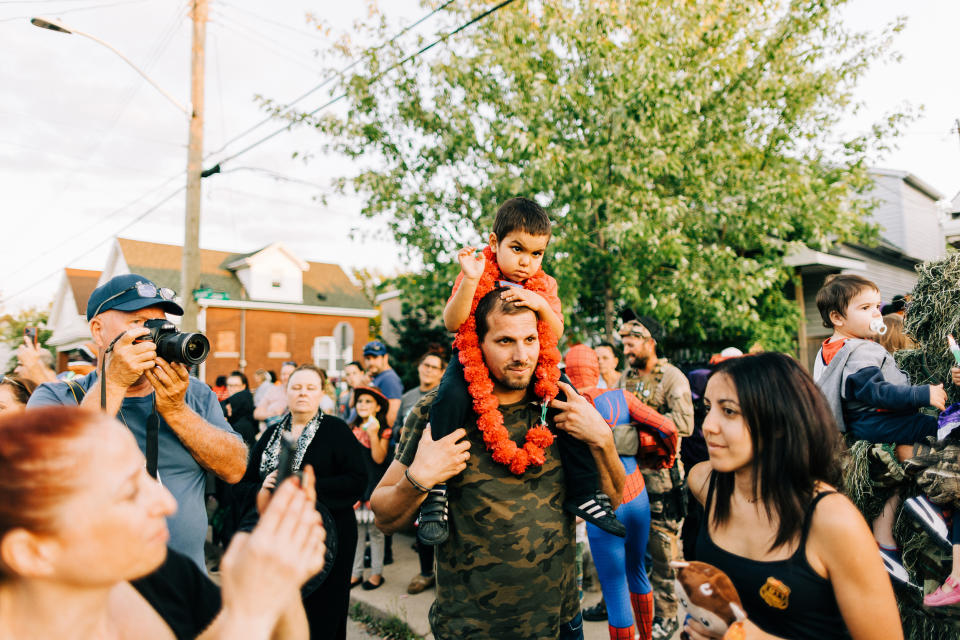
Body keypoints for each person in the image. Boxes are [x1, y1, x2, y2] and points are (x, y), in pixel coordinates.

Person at [371, 289, 626, 640]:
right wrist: (419, 478)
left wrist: (603, 440)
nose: (522, 355)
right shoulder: (439, 413)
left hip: (561, 622)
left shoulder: (564, 407)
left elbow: (612, 500)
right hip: (471, 628)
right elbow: (384, 518)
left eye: (530, 339)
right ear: (478, 343)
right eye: (505, 340)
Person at [0, 405, 326, 640]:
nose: (167, 504)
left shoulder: (158, 574)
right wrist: (251, 613)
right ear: (32, 551)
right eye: (128, 493)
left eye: (146, 476)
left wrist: (278, 579)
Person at [420, 197, 623, 547]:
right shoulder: (476, 271)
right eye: (517, 249)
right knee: (449, 398)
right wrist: (470, 281)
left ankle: (584, 490)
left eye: (537, 253)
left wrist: (541, 305)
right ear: (494, 243)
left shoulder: (545, 286)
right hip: (473, 361)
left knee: (569, 403)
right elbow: (453, 322)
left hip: (530, 366)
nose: (526, 262)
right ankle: (436, 493)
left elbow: (555, 333)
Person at [27, 274, 247, 570]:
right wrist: (115, 382)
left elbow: (235, 468)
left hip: (187, 593)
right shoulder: (57, 397)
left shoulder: (194, 394)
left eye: (161, 325)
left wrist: (177, 411)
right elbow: (47, 474)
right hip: (99, 593)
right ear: (98, 330)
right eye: (139, 322)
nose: (155, 334)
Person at [684, 353, 902, 640]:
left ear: (777, 423)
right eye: (708, 408)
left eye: (729, 411)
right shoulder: (704, 483)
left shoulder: (832, 520)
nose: (708, 426)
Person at [240, 364, 368, 640]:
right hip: (276, 538)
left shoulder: (336, 430)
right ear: (286, 392)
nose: (303, 394)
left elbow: (358, 481)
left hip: (329, 536)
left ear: (321, 393)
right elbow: (244, 484)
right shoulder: (272, 434)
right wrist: (261, 487)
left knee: (323, 615)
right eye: (296, 388)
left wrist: (305, 485)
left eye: (311, 388)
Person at [565, 345, 679, 640]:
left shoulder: (566, 406)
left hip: (601, 505)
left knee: (615, 592)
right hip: (637, 493)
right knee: (638, 572)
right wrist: (661, 458)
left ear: (568, 369)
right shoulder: (621, 397)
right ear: (595, 368)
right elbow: (667, 427)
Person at [618, 318, 694, 640]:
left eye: (631, 342)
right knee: (636, 554)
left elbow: (685, 425)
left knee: (665, 555)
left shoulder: (672, 377)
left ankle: (669, 616)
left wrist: (631, 432)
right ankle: (649, 615)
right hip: (633, 481)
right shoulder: (627, 377)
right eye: (623, 343)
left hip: (664, 482)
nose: (626, 349)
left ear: (649, 341)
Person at [396, 351, 447, 594]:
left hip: (441, 466)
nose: (427, 369)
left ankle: (447, 575)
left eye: (433, 367)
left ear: (441, 372)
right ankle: (426, 572)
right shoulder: (408, 397)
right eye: (425, 365)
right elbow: (397, 427)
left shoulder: (446, 395)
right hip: (412, 465)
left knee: (442, 519)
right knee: (421, 523)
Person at [349, 386, 393, 590]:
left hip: (374, 487)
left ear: (377, 407)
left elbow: (378, 458)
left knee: (375, 534)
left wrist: (373, 434)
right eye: (360, 401)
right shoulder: (351, 429)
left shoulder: (383, 430)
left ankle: (377, 573)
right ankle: (356, 572)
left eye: (368, 401)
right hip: (357, 488)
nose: (363, 405)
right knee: (356, 533)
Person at [362, 341, 403, 427]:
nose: (371, 362)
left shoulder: (389, 379)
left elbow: (392, 420)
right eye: (368, 358)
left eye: (375, 357)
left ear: (385, 358)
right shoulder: (376, 376)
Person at [254, 361, 297, 426]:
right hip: (269, 430)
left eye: (289, 374)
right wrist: (274, 413)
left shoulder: (300, 393)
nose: (285, 377)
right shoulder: (273, 390)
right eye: (283, 374)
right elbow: (257, 414)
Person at [222, 371, 257, 445]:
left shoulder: (246, 399)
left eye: (236, 385)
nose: (232, 388)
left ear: (243, 386)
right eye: (229, 385)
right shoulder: (228, 405)